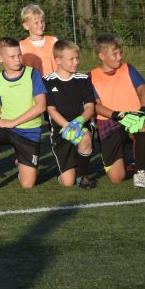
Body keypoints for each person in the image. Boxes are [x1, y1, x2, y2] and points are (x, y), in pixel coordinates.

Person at [0, 38, 47, 190]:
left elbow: (41, 106)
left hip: (28, 133)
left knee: (27, 185)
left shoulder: (33, 74)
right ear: (0, 58)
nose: (17, 59)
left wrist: (14, 122)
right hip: (6, 129)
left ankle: (21, 162)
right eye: (12, 56)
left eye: (19, 55)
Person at [90, 34, 145, 184]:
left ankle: (141, 172)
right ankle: (131, 164)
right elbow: (96, 106)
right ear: (101, 56)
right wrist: (118, 115)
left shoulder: (128, 68)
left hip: (133, 117)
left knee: (143, 124)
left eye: (120, 53)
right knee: (117, 178)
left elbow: (142, 88)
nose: (119, 57)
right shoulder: (92, 76)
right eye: (114, 54)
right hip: (109, 122)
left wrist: (143, 109)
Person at [45, 40, 96, 189]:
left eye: (77, 58)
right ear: (58, 60)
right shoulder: (47, 81)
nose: (76, 62)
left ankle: (83, 175)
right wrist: (67, 126)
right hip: (61, 130)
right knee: (67, 182)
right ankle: (66, 169)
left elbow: (89, 107)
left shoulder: (84, 79)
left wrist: (78, 122)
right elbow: (51, 110)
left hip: (80, 126)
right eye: (71, 59)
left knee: (85, 136)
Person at [19, 4, 59, 77]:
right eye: (36, 23)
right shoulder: (21, 46)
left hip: (54, 86)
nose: (40, 25)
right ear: (26, 26)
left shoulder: (53, 41)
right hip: (33, 86)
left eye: (42, 21)